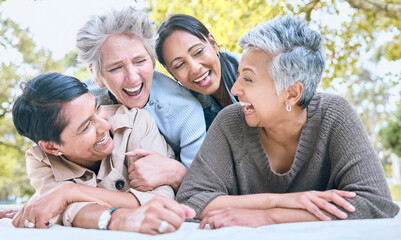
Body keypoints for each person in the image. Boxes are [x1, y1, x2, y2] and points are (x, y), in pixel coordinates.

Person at [176, 15, 400, 228]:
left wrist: (272, 217)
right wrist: (280, 201)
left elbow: (375, 203)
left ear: (292, 93)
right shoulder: (230, 122)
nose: (235, 89)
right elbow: (190, 202)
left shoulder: (335, 115)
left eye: (248, 78)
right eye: (238, 75)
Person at [11, 73, 195, 234]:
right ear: (52, 147)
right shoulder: (41, 160)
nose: (105, 125)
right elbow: (68, 211)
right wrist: (120, 217)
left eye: (97, 108)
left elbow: (161, 200)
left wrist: (70, 191)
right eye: (86, 127)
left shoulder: (136, 122)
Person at [77, 7, 206, 191]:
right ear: (96, 75)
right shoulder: (80, 100)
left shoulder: (185, 110)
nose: (133, 77)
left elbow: (203, 187)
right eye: (115, 68)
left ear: (152, 59)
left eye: (140, 61)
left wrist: (178, 173)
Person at [156, 14, 241, 129]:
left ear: (213, 44)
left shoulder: (255, 71)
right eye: (179, 65)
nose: (195, 68)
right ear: (171, 73)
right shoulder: (186, 107)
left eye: (198, 52)